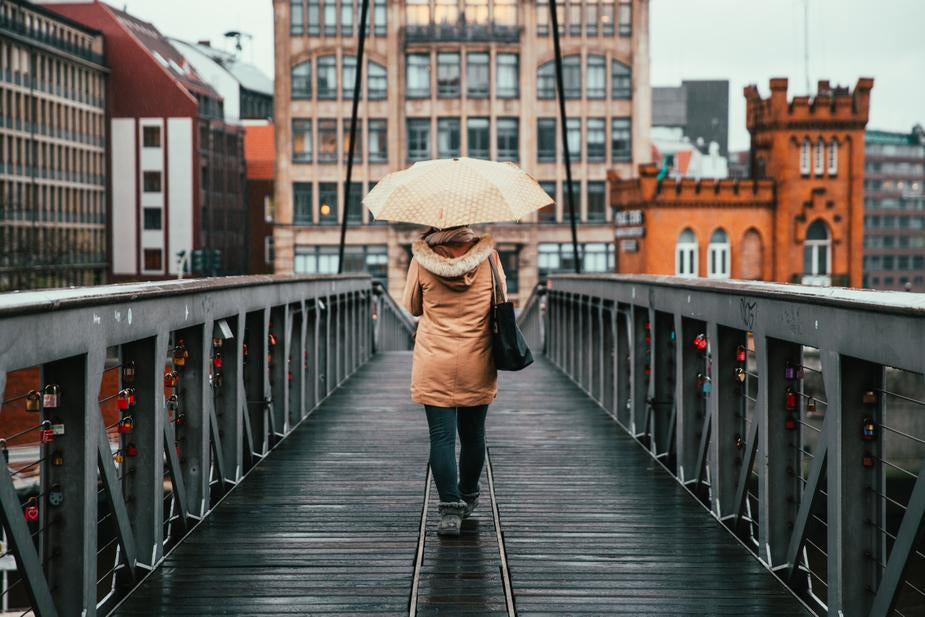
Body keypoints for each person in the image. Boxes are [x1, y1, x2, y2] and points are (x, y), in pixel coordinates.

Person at [401, 224, 506, 536]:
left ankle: (450, 510)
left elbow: (412, 306)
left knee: (442, 438)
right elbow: (500, 302)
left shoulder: (421, 259)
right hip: (477, 357)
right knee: (473, 435)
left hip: (435, 360)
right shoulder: (489, 259)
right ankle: (468, 495)